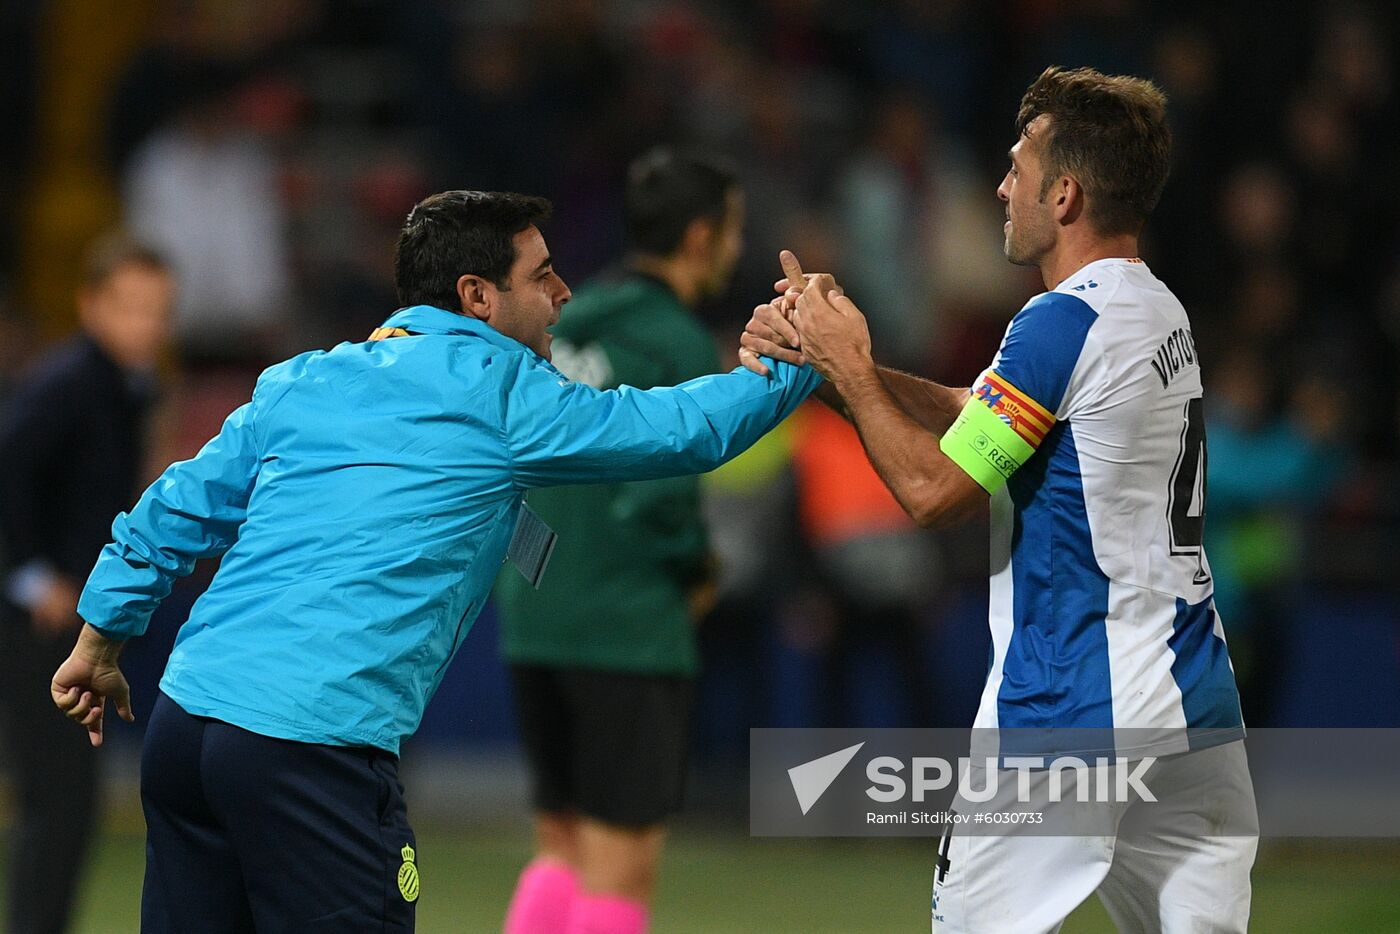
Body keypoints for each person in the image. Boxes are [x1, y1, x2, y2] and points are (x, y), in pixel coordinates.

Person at [49, 190, 820, 933]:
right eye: (542, 274)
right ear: (477, 296)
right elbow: (680, 427)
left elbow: (176, 506)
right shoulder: (502, 394)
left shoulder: (305, 378)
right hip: (311, 745)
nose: (563, 292)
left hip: (186, 727)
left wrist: (98, 640)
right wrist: (803, 358)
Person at [741, 66, 1256, 933]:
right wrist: (830, 369)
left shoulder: (1059, 323)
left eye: (1018, 168)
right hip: (1192, 697)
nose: (1001, 187)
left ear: (1064, 194)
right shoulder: (1152, 308)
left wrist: (851, 368)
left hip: (1074, 704)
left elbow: (933, 493)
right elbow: (978, 413)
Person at [494, 150, 741, 934]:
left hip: (534, 610)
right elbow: (661, 503)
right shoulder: (677, 343)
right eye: (734, 230)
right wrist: (698, 569)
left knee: (558, 846)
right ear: (701, 237)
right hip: (625, 624)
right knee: (620, 868)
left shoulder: (561, 319)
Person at [0, 234, 173, 934]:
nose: (147, 325)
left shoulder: (126, 387)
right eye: (130, 307)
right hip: (39, 627)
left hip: (73, 623)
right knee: (57, 804)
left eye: (158, 310)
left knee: (69, 806)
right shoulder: (69, 383)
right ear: (88, 305)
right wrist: (31, 578)